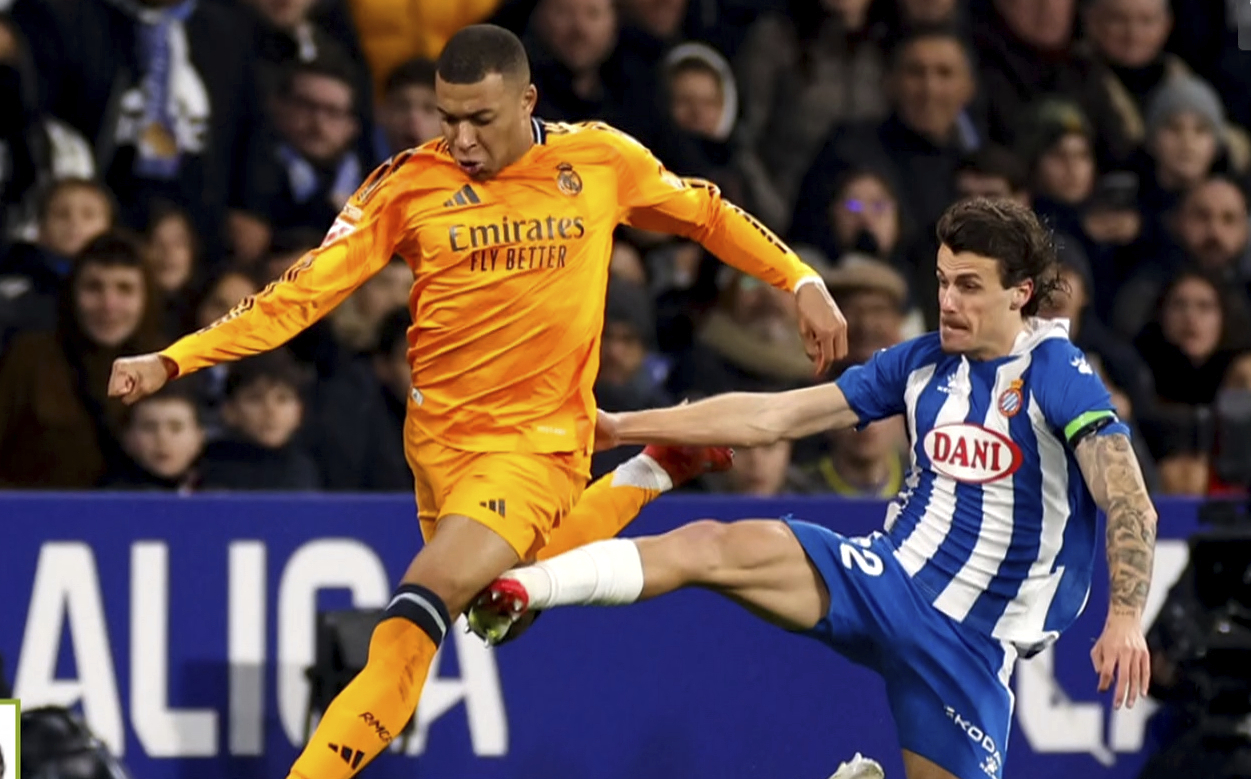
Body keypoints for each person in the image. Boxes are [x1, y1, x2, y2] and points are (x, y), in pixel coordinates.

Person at [105, 23, 846, 779]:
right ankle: (652, 469)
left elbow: (707, 212)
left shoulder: (596, 160)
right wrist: (173, 359)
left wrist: (801, 281)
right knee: (500, 600)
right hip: (438, 447)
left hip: (536, 446)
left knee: (413, 615)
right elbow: (297, 295)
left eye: (479, 120)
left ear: (526, 100)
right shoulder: (406, 184)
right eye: (445, 117)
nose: (458, 138)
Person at [469, 198, 1158, 779]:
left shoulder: (1057, 372)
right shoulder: (918, 364)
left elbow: (1127, 496)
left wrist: (1125, 614)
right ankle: (524, 588)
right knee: (712, 545)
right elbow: (772, 415)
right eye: (942, 280)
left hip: (970, 653)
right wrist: (621, 424)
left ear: (1021, 293)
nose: (945, 302)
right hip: (883, 581)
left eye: (969, 286)